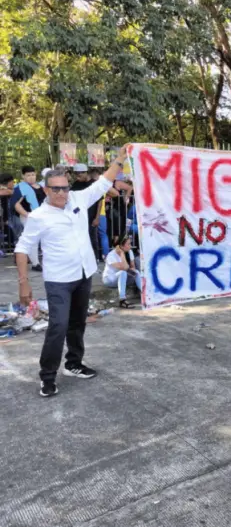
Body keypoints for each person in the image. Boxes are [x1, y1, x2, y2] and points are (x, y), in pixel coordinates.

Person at [14, 147, 128, 397]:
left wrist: (119, 159)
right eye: (56, 188)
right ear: (46, 190)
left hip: (84, 274)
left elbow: (104, 183)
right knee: (58, 326)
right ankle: (47, 377)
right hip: (59, 281)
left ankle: (73, 364)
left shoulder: (77, 200)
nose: (62, 193)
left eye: (65, 187)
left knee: (77, 324)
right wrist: (24, 283)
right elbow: (22, 249)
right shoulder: (39, 217)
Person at [102, 235, 142, 307]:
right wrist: (121, 253)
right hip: (109, 279)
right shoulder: (111, 255)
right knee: (122, 272)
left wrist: (132, 269)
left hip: (122, 277)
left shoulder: (129, 252)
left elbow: (129, 267)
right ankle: (122, 300)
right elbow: (123, 268)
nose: (130, 246)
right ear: (121, 246)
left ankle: (145, 294)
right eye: (128, 244)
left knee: (136, 272)